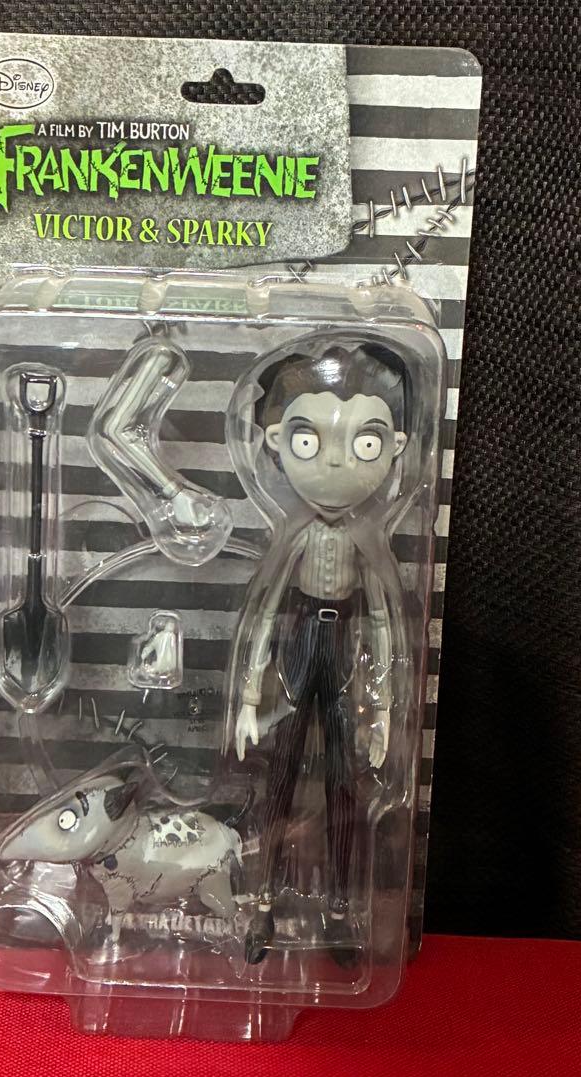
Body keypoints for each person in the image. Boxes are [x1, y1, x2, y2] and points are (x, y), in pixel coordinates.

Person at [234, 339, 409, 966]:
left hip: (343, 646)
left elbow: (383, 621)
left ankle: (338, 908)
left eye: (366, 444)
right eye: (308, 441)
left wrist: (382, 710)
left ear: (396, 448)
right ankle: (261, 905)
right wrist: (248, 700)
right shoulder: (297, 538)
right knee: (281, 773)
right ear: (276, 442)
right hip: (301, 638)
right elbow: (264, 614)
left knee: (343, 781)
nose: (335, 462)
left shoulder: (364, 542)